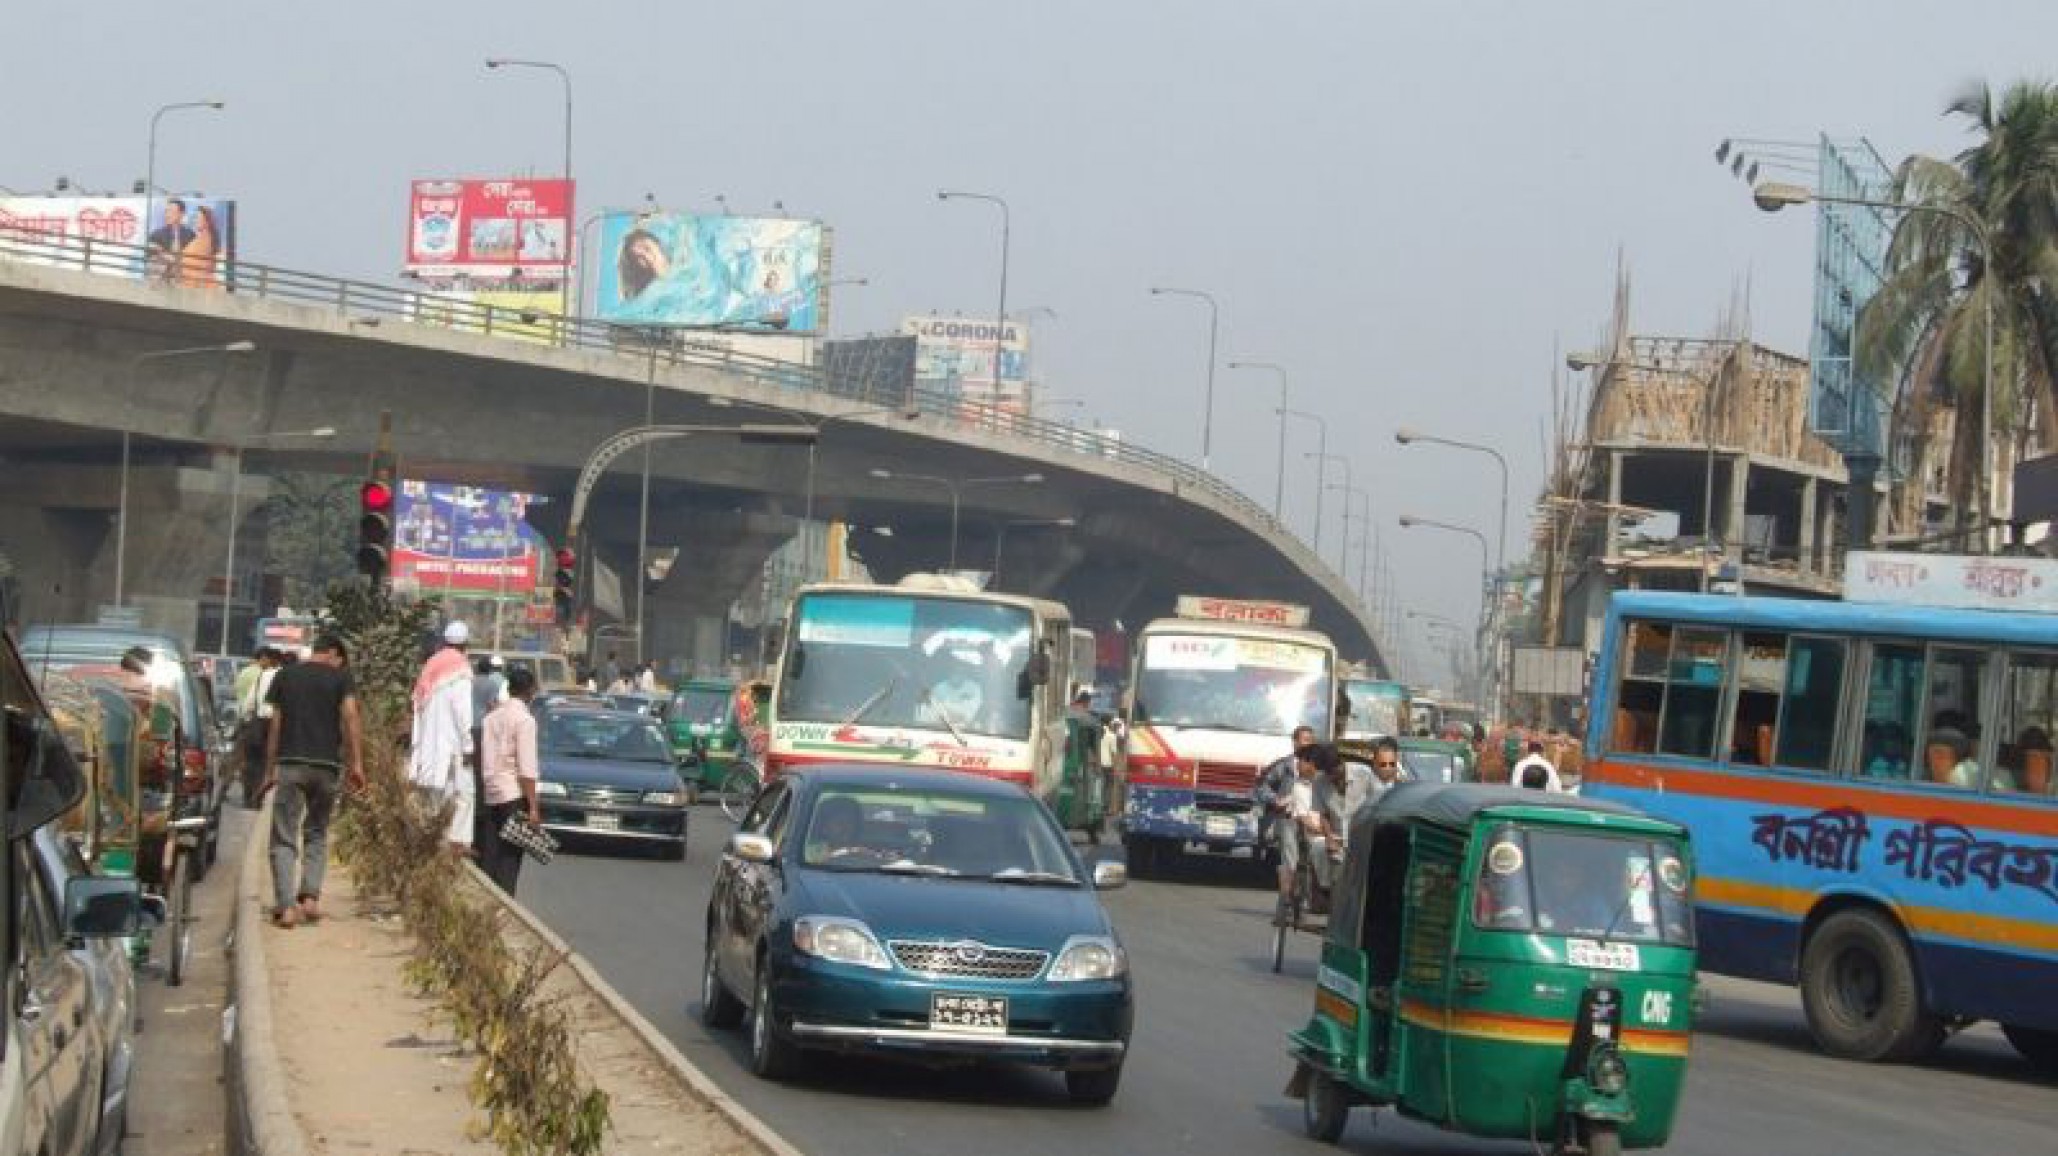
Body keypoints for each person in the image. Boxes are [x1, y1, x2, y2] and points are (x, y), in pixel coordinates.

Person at [261, 634, 363, 928]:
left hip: (291, 764)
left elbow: (276, 727)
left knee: (284, 835)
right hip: (326, 767)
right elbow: (351, 717)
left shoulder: (285, 676)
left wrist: (269, 772)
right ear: (332, 653)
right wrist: (356, 764)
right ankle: (309, 899)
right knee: (317, 832)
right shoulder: (341, 679)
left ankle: (285, 907)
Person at [408, 622, 476, 855]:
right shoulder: (461, 671)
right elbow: (463, 713)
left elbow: (417, 708)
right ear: (465, 645)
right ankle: (455, 843)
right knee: (462, 793)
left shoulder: (431, 667)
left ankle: (431, 841)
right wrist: (468, 745)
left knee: (431, 798)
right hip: (451, 746)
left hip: (428, 746)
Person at [474, 668, 543, 894]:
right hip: (513, 795)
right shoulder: (525, 721)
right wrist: (533, 806)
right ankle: (505, 903)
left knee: (490, 853)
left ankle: (488, 901)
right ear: (531, 690)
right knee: (511, 856)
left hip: (490, 792)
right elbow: (526, 768)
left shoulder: (490, 718)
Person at [1255, 726, 1318, 923]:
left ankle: (1306, 903)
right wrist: (1276, 800)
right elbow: (1261, 786)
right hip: (1287, 820)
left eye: (1311, 740)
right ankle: (1284, 903)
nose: (1307, 743)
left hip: (1310, 820)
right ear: (1295, 742)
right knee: (1290, 861)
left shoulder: (1318, 767)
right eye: (1304, 739)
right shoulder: (1284, 766)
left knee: (1312, 859)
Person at [234, 647, 282, 807]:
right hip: (276, 725)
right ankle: (259, 796)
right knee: (265, 762)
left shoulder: (263, 675)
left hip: (259, 723)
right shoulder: (285, 676)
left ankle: (249, 795)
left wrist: (246, 721)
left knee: (251, 761)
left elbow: (249, 703)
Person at [146, 198, 195, 280]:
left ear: (181, 214)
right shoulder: (157, 234)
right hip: (163, 275)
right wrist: (163, 255)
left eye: (171, 211)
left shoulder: (190, 235)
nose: (167, 215)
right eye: (166, 211)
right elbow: (150, 253)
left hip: (183, 274)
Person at [178, 204, 222, 288]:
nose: (195, 221)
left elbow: (196, 260)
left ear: (206, 221)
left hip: (200, 284)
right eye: (196, 218)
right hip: (192, 281)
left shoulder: (207, 238)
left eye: (198, 218)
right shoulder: (199, 238)